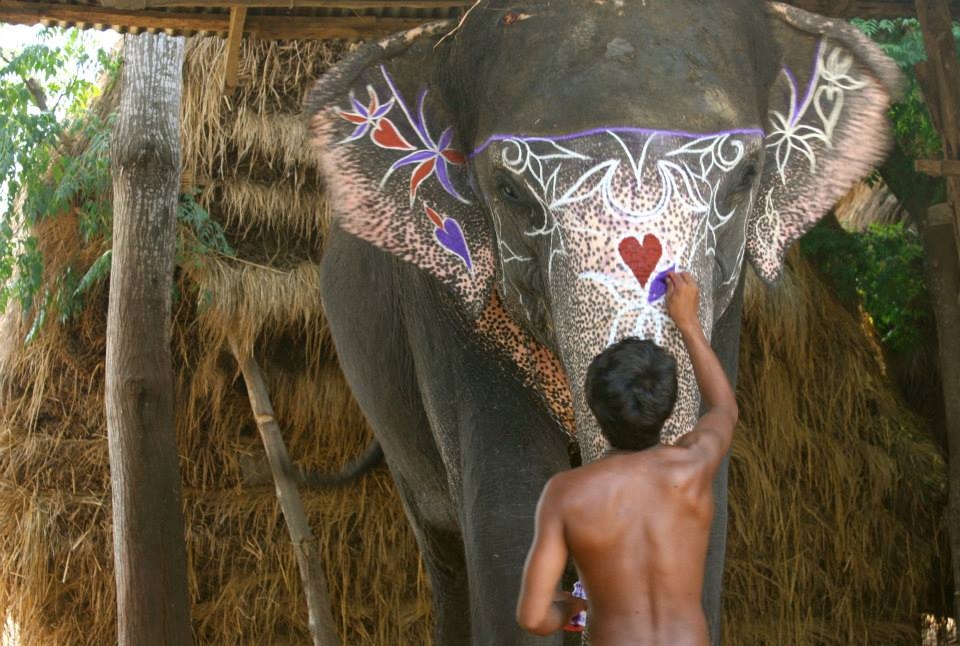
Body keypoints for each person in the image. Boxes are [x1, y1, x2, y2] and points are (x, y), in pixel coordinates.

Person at [515, 271, 738, 646]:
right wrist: (687, 323)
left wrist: (574, 607)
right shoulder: (695, 465)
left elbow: (534, 617)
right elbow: (724, 407)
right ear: (667, 407)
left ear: (593, 409)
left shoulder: (566, 494)